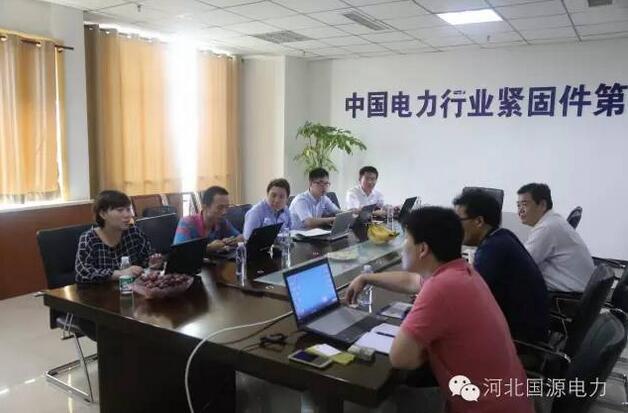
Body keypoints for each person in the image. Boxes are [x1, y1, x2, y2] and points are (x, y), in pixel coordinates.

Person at [345, 207, 533, 413]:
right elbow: (411, 281)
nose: (402, 246)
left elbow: (400, 358)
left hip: (483, 407)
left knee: (383, 404)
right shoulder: (461, 271)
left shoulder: (441, 288)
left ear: (423, 249)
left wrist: (429, 347)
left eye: (406, 239)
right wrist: (366, 278)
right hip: (510, 399)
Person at [453, 190, 549, 342]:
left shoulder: (492, 250)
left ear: (479, 221)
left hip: (518, 340)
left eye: (458, 221)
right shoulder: (502, 236)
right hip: (528, 330)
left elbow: (467, 301)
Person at [517, 183, 594, 292]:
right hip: (580, 287)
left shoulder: (547, 228)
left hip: (568, 295)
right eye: (518, 205)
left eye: (524, 205)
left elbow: (520, 264)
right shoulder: (553, 220)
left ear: (542, 205)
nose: (520, 211)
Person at [75, 190, 162, 283]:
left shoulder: (133, 232)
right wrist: (120, 274)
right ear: (103, 214)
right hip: (100, 291)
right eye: (120, 210)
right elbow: (83, 273)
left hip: (133, 288)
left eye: (128, 210)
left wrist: (152, 264)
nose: (127, 215)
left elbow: (146, 258)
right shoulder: (89, 238)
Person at [173, 185, 244, 251]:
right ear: (205, 207)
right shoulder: (187, 223)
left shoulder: (222, 222)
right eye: (220, 207)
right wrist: (209, 247)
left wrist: (234, 240)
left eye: (227, 207)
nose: (225, 212)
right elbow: (179, 251)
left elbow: (241, 237)